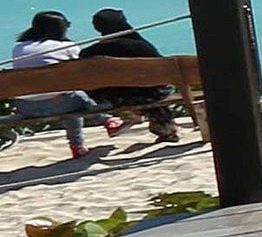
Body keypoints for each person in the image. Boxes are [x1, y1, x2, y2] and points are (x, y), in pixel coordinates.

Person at [76, 10, 187, 148]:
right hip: (152, 94)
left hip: (116, 98)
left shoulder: (90, 52)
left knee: (130, 90)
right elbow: (164, 72)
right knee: (151, 89)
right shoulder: (142, 46)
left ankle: (146, 120)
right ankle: (165, 127)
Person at [8, 11, 98, 166]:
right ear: (60, 28)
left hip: (26, 107)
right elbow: (83, 70)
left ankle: (92, 134)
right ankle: (100, 126)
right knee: (72, 98)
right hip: (60, 103)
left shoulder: (19, 48)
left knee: (65, 96)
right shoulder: (67, 46)